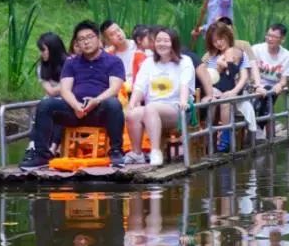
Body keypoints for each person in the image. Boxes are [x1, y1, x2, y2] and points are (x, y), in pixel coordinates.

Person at [20, 20, 126, 169]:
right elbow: (65, 90)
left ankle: (116, 152)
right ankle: (41, 154)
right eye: (81, 39)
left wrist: (96, 100)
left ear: (98, 38)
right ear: (76, 42)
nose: (86, 42)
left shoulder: (114, 61)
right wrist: (76, 106)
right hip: (74, 112)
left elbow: (114, 89)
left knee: (113, 103)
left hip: (100, 111)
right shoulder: (71, 63)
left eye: (89, 37)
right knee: (46, 104)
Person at [125, 26, 194, 165]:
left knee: (150, 108)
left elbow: (184, 84)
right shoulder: (148, 62)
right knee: (132, 114)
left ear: (174, 43)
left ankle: (155, 152)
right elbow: (139, 87)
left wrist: (183, 101)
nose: (162, 44)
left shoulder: (184, 61)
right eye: (158, 40)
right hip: (153, 109)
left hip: (177, 108)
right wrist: (131, 104)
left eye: (166, 40)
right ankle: (137, 153)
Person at [198, 22, 250, 153]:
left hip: (233, 88)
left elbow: (243, 77)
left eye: (221, 39)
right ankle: (209, 136)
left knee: (225, 100)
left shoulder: (240, 53)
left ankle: (226, 137)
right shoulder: (211, 56)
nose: (219, 43)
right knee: (213, 97)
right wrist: (219, 67)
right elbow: (211, 77)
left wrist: (234, 91)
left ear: (227, 36)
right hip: (216, 87)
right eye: (215, 41)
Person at [251, 23, 289, 135]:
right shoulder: (257, 49)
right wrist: (258, 86)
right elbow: (253, 70)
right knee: (264, 96)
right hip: (255, 84)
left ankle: (260, 129)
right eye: (268, 35)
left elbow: (284, 80)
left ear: (282, 39)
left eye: (274, 37)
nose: (270, 39)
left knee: (269, 92)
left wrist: (280, 85)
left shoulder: (287, 55)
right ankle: (263, 131)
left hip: (272, 87)